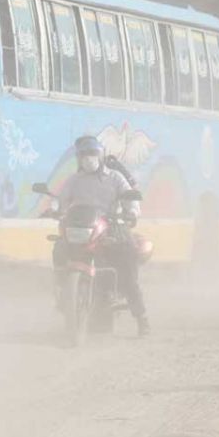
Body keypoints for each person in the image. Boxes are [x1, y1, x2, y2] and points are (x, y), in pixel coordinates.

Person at [55, 135, 150, 337]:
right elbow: (62, 200)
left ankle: (141, 318)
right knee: (59, 248)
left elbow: (131, 199)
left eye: (92, 154)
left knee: (127, 265)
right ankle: (63, 292)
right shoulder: (74, 180)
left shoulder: (115, 178)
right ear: (79, 158)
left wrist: (132, 212)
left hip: (112, 227)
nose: (88, 159)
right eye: (84, 155)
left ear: (101, 155)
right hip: (83, 229)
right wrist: (57, 210)